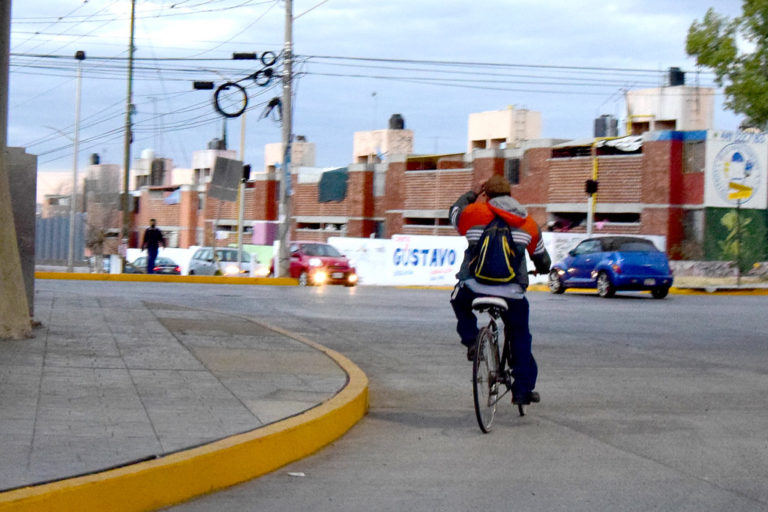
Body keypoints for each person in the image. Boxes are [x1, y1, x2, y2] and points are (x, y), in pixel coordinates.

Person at [449, 175, 551, 405]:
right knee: (520, 335)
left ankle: (472, 340)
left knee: (458, 301)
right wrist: (543, 268)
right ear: (510, 195)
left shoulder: (472, 214)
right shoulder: (528, 222)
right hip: (512, 292)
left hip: (474, 287)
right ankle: (522, 390)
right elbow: (542, 259)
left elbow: (454, 212)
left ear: (487, 195)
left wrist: (472, 195)